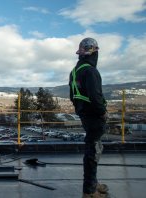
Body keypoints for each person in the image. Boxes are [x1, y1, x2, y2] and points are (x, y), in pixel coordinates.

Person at [69, 37, 109, 198]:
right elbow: (95, 96)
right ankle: (89, 191)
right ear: (94, 52)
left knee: (94, 149)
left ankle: (93, 183)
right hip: (94, 115)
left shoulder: (75, 71)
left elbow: (73, 96)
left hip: (84, 114)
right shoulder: (91, 71)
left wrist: (81, 110)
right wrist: (102, 112)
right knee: (93, 151)